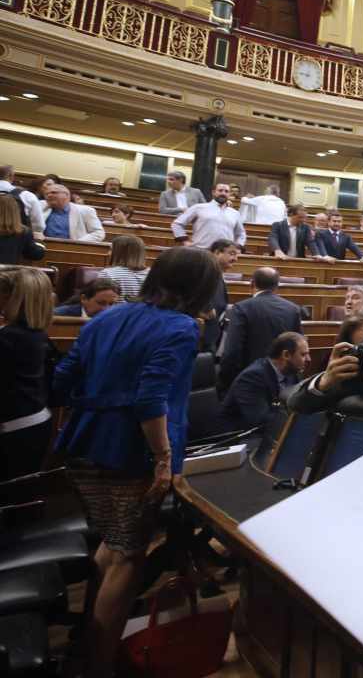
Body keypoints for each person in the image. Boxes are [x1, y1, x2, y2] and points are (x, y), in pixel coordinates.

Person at [52, 247, 222, 676]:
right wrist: (163, 459)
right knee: (128, 555)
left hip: (85, 444)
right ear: (199, 289)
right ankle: (100, 663)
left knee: (112, 543)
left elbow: (62, 379)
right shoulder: (182, 327)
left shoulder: (107, 316)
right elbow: (151, 398)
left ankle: (86, 645)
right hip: (132, 453)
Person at [215, 267, 305, 397]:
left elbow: (232, 351)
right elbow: (299, 346)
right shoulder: (292, 309)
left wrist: (225, 384)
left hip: (249, 381)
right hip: (283, 382)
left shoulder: (242, 308)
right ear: (277, 286)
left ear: (252, 283)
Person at [0, 268, 55, 479]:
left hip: (13, 429)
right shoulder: (37, 334)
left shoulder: (8, 337)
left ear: (11, 297)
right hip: (35, 421)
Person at [218, 331, 307, 432]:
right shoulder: (252, 377)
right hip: (237, 438)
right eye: (303, 355)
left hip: (272, 434)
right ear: (286, 355)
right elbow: (261, 421)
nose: (308, 359)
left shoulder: (293, 373)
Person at [170, 182, 245, 249]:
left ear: (229, 194)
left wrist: (238, 247)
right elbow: (177, 224)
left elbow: (241, 233)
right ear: (213, 192)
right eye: (220, 190)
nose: (223, 193)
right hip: (201, 251)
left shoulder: (235, 213)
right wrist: (185, 240)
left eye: (226, 191)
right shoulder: (198, 207)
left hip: (224, 254)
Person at [200, 240, 239, 353]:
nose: (235, 259)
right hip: (200, 336)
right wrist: (205, 309)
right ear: (217, 252)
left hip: (211, 334)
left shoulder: (217, 274)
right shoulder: (205, 272)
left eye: (237, 255)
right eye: (232, 254)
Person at [34, 184, 106, 242]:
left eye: (54, 192)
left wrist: (75, 244)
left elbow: (98, 233)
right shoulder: (40, 208)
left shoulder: (86, 211)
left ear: (67, 195)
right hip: (44, 248)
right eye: (46, 194)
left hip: (74, 251)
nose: (49, 195)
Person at [97, 234, 149, 300]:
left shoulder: (108, 274)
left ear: (119, 253)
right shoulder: (153, 274)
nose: (108, 253)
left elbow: (100, 301)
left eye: (111, 249)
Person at [0, 191, 44, 264]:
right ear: (16, 210)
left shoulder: (24, 231)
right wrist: (39, 241)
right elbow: (36, 255)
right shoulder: (23, 231)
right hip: (8, 273)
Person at [54, 277, 123, 319]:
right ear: (84, 299)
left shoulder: (119, 319)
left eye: (112, 304)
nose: (107, 309)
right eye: (101, 303)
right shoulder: (58, 316)